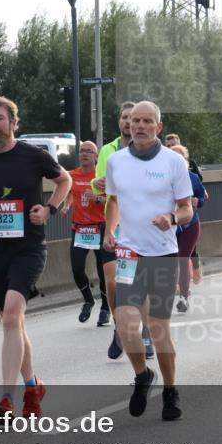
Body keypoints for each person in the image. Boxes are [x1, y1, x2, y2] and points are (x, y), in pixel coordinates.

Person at [0, 96, 72, 420]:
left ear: (13, 123)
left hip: (29, 250)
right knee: (13, 323)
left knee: (10, 318)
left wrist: (49, 209)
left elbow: (65, 180)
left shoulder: (34, 156)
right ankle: (33, 386)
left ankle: (6, 399)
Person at [104, 101, 194, 420]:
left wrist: (171, 216)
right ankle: (143, 375)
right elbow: (114, 200)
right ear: (129, 125)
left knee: (158, 328)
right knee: (126, 323)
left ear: (158, 125)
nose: (139, 126)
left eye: (146, 121)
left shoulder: (173, 162)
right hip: (129, 252)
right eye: (135, 121)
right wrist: (109, 228)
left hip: (162, 255)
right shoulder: (115, 162)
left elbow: (187, 208)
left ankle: (171, 390)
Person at [93, 102, 155, 359]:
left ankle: (147, 332)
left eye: (133, 118)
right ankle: (119, 328)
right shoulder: (108, 151)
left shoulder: (151, 152)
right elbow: (99, 190)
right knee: (111, 280)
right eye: (124, 117)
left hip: (139, 225)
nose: (128, 122)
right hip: (111, 224)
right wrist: (97, 184)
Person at [62, 140, 114, 326]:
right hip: (80, 229)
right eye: (82, 151)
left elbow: (113, 200)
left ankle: (106, 308)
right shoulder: (72, 175)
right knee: (77, 269)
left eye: (89, 151)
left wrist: (98, 198)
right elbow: (69, 191)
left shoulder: (101, 176)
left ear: (96, 155)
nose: (84, 154)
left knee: (103, 273)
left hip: (100, 227)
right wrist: (66, 205)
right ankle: (88, 300)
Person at [168, 144, 205, 312]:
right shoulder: (162, 178)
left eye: (180, 158)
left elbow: (202, 197)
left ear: (185, 161)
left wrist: (198, 202)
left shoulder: (193, 178)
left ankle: (183, 297)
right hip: (169, 226)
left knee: (182, 259)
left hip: (190, 225)